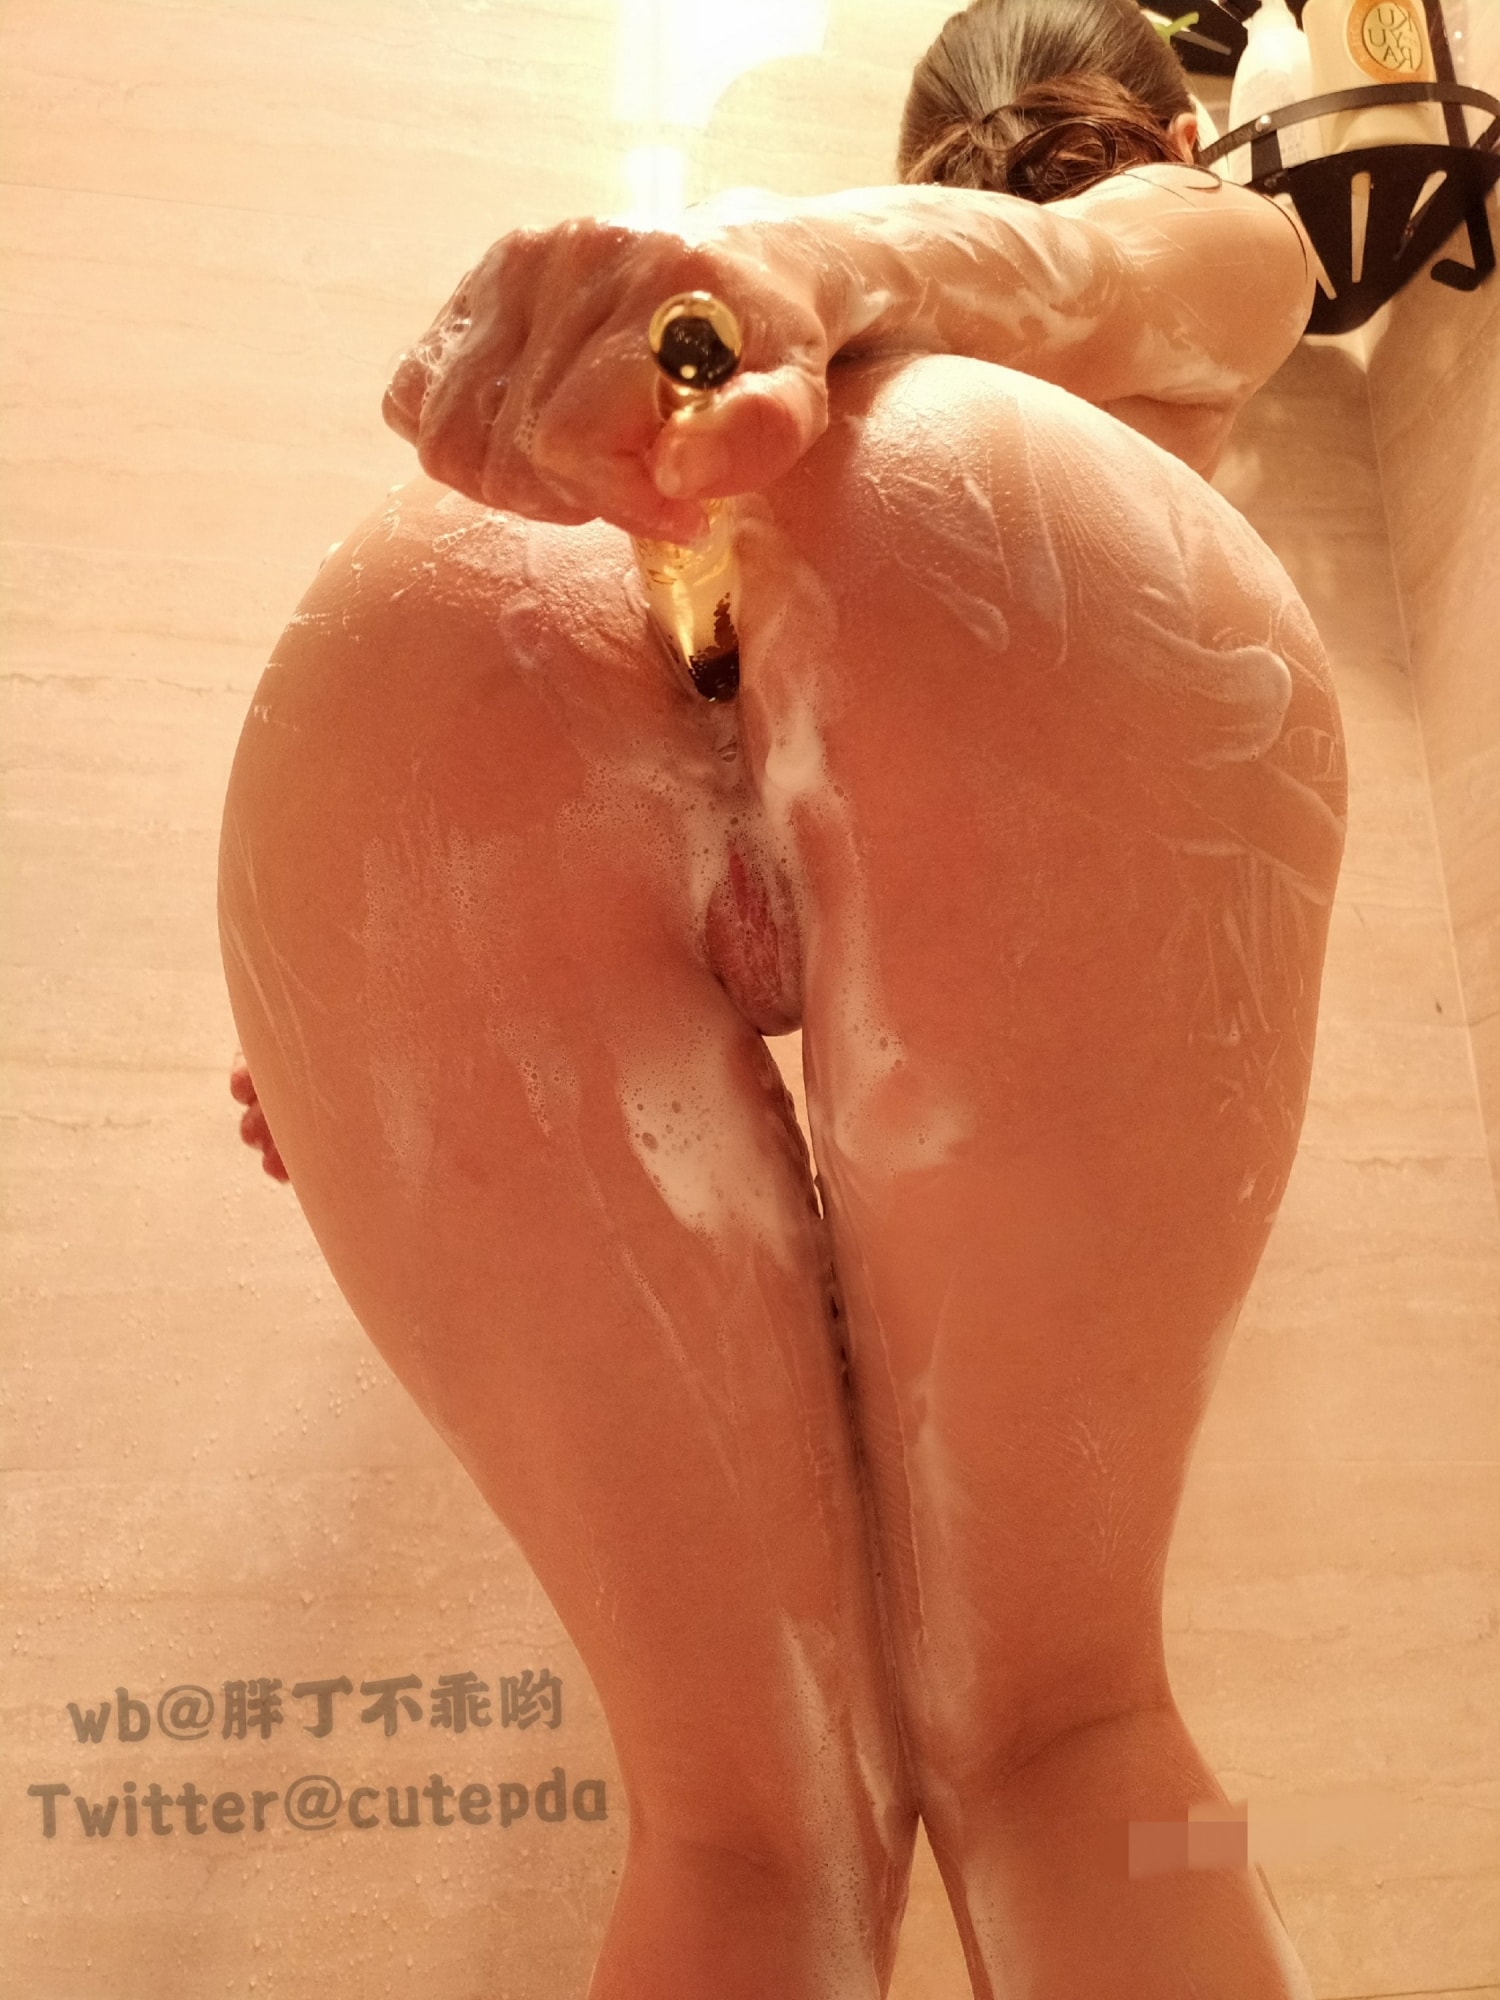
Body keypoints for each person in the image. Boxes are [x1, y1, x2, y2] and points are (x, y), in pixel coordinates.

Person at [218, 0, 1346, 1993]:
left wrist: (368, 1039)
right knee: (1066, 1738)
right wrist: (785, 267)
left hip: (432, 638)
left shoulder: (829, 300)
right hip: (1002, 549)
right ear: (1174, 124)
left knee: (741, 1831)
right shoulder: (1176, 234)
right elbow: (1111, 271)